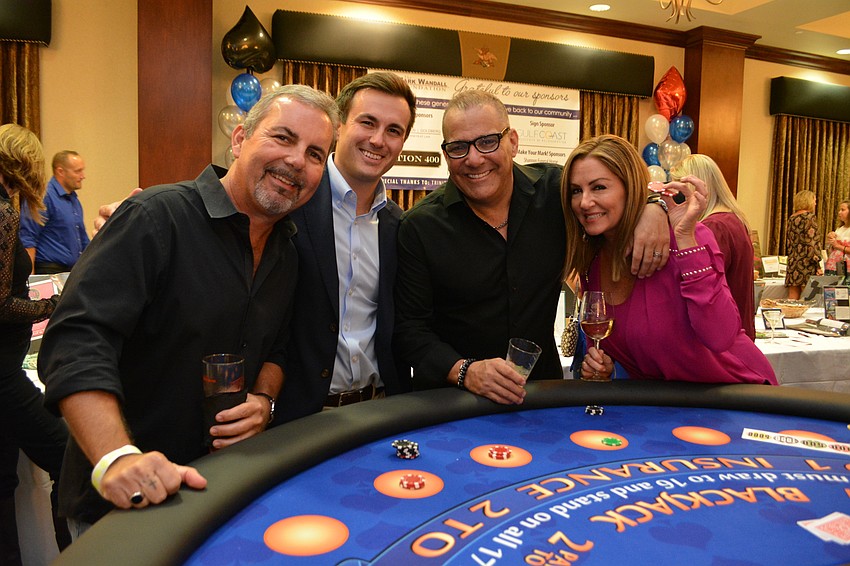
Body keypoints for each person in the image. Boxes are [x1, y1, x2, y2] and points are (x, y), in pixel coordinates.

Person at [39, 84, 339, 532]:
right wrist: (117, 458)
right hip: (125, 503)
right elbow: (76, 341)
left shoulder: (287, 250)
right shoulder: (154, 216)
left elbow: (276, 348)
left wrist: (264, 400)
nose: (298, 160)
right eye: (283, 137)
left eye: (316, 154)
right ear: (239, 140)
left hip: (222, 492)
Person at [394, 91, 670, 405]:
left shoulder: (556, 191)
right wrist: (465, 371)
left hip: (542, 397)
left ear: (512, 141)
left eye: (487, 141)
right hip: (454, 404)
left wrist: (653, 205)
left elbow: (615, 191)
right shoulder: (419, 226)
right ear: (446, 154)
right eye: (458, 147)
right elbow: (410, 330)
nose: (473, 159)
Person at [562, 135, 776, 385]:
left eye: (599, 187)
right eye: (576, 191)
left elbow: (721, 336)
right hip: (667, 408)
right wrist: (608, 366)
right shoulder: (593, 261)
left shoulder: (684, 238)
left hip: (734, 396)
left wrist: (685, 238)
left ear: (630, 188)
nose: (585, 202)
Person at [278, 72, 415, 421]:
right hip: (301, 420)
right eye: (367, 122)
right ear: (339, 126)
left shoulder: (400, 227)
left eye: (394, 130)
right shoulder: (289, 202)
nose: (378, 139)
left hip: (381, 413)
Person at [0, 124, 70, 563]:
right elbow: (2, 303)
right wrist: (51, 307)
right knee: (68, 456)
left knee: (3, 481)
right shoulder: (4, 213)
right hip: (3, 372)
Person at [670, 154, 756, 340]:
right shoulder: (734, 220)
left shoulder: (712, 228)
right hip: (737, 332)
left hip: (722, 338)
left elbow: (704, 292)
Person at [19, 150, 90, 274]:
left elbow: (83, 240)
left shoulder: (74, 200)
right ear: (60, 171)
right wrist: (31, 281)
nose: (83, 176)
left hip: (72, 271)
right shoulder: (43, 196)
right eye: (77, 171)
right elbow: (27, 238)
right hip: (49, 271)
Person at [784, 189, 822, 300]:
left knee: (792, 298)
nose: (815, 203)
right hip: (806, 263)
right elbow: (812, 243)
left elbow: (789, 242)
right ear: (808, 201)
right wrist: (817, 264)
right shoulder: (809, 217)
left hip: (793, 262)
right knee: (808, 299)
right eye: (814, 200)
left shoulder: (792, 218)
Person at [825, 199, 850, 283]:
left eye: (843, 210)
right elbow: (831, 248)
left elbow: (838, 247)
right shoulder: (839, 229)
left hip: (847, 269)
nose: (839, 212)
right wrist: (831, 239)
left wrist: (838, 246)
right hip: (834, 266)